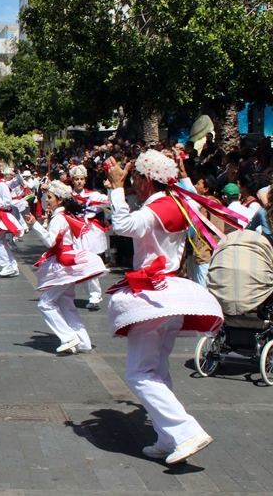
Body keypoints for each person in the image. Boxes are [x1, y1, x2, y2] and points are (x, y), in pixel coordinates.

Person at [104, 150, 224, 464]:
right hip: (170, 292)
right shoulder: (180, 203)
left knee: (140, 374)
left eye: (135, 178)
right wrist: (183, 174)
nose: (132, 182)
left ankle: (186, 432)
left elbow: (123, 225)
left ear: (145, 180)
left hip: (152, 295)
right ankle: (167, 437)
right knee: (157, 370)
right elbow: (196, 203)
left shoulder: (155, 208)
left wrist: (116, 189)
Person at [24, 181, 106, 354]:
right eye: (47, 196)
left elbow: (50, 242)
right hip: (65, 262)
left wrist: (35, 225)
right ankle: (83, 342)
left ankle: (69, 337)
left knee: (45, 304)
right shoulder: (64, 215)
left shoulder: (59, 218)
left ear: (60, 200)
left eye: (50, 197)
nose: (46, 200)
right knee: (66, 304)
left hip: (63, 264)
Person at [69, 165, 110, 310]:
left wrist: (110, 188)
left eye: (81, 179)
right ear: (72, 180)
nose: (79, 182)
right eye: (76, 179)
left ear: (85, 180)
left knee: (88, 264)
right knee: (73, 266)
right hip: (72, 234)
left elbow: (109, 201)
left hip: (89, 234)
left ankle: (94, 296)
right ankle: (65, 295)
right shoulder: (67, 195)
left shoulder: (93, 195)